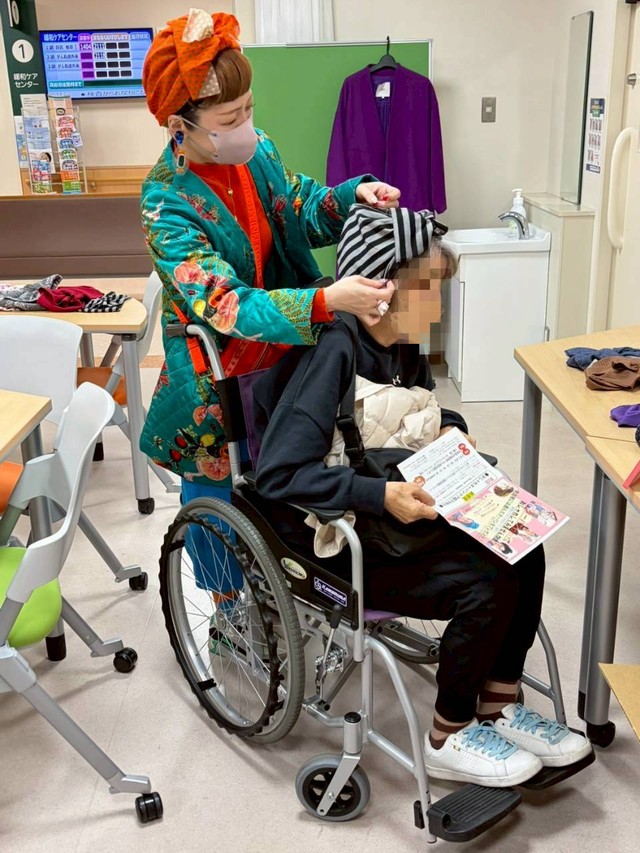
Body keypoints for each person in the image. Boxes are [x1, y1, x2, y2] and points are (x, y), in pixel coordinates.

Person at [254, 204, 591, 788]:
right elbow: (278, 475)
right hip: (335, 535)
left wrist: (453, 430)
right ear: (382, 290)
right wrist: (380, 496)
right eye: (431, 287)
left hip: (395, 510)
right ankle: (448, 734)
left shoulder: (403, 346)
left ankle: (498, 706)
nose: (442, 303)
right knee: (482, 581)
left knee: (524, 546)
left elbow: (417, 410)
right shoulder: (332, 352)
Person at [139, 8, 398, 492]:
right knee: (224, 518)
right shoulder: (165, 204)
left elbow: (298, 208)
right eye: (229, 118)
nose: (246, 126)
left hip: (287, 361)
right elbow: (224, 303)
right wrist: (326, 301)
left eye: (249, 109)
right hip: (222, 376)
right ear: (179, 125)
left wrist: (352, 196)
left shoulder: (257, 150)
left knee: (289, 492)